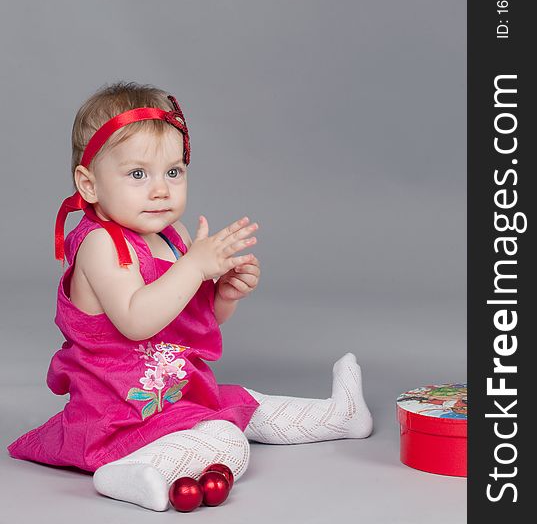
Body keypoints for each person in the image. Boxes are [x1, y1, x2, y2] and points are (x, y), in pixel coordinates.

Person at [7, 82, 373, 511]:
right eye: (138, 174)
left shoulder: (173, 236)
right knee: (228, 440)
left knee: (248, 403)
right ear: (89, 184)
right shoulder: (102, 244)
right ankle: (128, 473)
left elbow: (191, 322)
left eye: (173, 171)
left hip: (176, 395)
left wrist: (224, 294)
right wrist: (195, 267)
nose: (160, 189)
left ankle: (340, 416)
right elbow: (136, 320)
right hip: (119, 413)